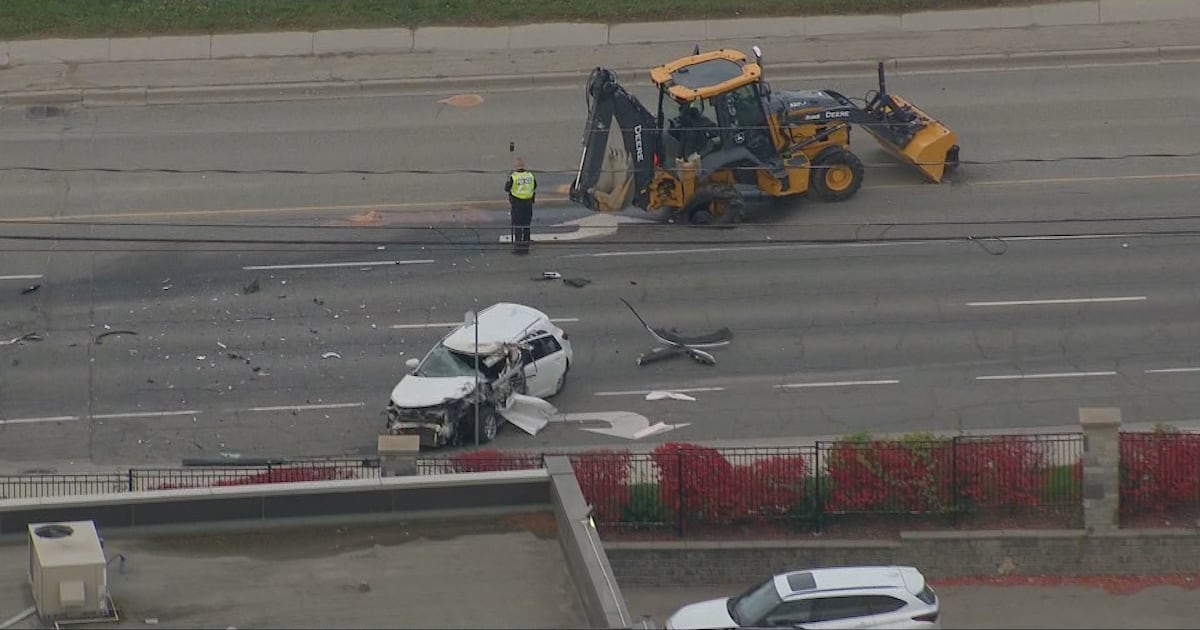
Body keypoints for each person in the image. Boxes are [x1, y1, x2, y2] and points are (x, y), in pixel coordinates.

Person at [505, 157, 536, 254]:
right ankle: (526, 245)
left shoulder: (513, 177)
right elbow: (535, 186)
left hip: (517, 203)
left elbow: (507, 188)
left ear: (516, 166)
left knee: (518, 225)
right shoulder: (530, 175)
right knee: (526, 225)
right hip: (528, 203)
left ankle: (518, 246)